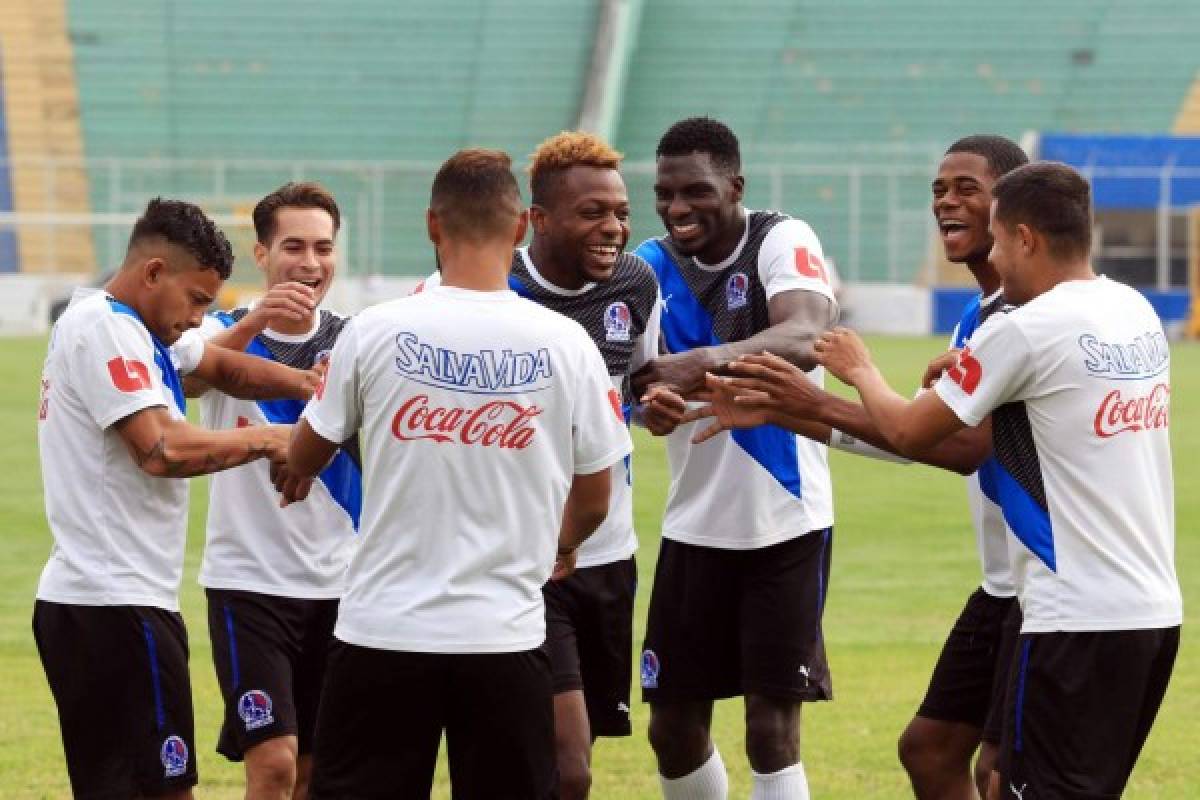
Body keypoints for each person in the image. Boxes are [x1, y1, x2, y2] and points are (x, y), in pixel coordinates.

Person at [811, 162, 1181, 799]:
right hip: (1152, 616)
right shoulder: (1132, 310)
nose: (997, 256)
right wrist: (972, 374)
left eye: (1000, 239)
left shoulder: (1022, 330)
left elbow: (907, 431)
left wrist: (860, 368)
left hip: (1072, 618)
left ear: (1027, 238)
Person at [685, 135, 1031, 799]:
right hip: (1002, 586)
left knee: (997, 769)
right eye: (938, 189)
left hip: (1047, 589)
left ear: (1010, 205)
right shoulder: (975, 319)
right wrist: (785, 411)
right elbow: (914, 438)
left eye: (965, 188)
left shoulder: (1023, 318)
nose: (946, 202)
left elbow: (960, 449)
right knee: (930, 751)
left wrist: (825, 395)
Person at [281, 149, 634, 799]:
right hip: (505, 633)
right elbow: (596, 495)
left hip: (382, 631)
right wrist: (560, 546)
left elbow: (307, 453)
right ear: (523, 228)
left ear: (432, 226)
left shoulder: (373, 331)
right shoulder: (566, 345)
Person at [33, 198, 323, 800]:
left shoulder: (135, 325)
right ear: (154, 272)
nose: (198, 319)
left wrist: (310, 388)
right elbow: (161, 449)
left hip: (104, 603)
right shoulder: (106, 331)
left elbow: (222, 367)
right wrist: (272, 438)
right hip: (114, 605)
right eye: (195, 301)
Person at [420, 130, 661, 799]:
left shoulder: (638, 284)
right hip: (527, 558)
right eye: (593, 213)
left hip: (609, 554)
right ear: (539, 220)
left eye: (620, 211)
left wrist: (657, 401)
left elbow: (635, 383)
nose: (613, 227)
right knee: (564, 763)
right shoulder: (490, 291)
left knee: (566, 761)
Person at [630, 117, 838, 800]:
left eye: (695, 190)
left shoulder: (781, 238)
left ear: (736, 184)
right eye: (665, 193)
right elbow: (631, 384)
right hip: (694, 525)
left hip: (787, 523)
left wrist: (705, 361)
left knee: (770, 730)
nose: (678, 207)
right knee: (672, 729)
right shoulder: (647, 267)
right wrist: (647, 407)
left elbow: (808, 332)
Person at [186, 182, 359, 800]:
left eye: (323, 247)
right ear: (260, 254)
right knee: (274, 764)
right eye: (293, 247)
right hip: (248, 585)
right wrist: (255, 318)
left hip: (342, 583)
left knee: (316, 768)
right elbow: (190, 379)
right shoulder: (217, 332)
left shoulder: (358, 340)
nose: (311, 264)